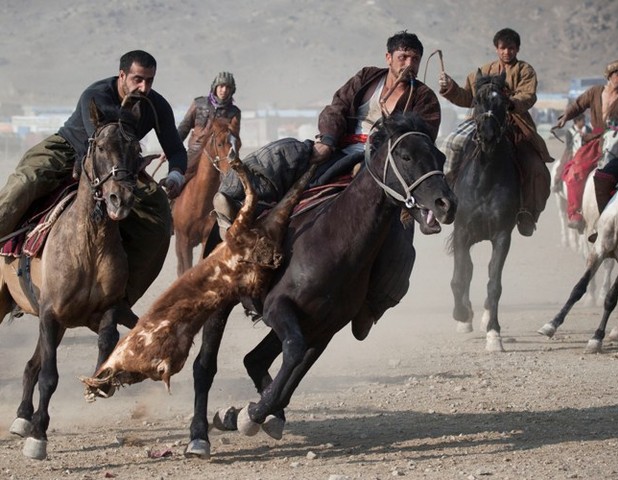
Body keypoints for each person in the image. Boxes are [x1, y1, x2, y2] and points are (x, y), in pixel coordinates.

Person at [213, 30, 442, 341]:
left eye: (414, 59)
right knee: (287, 152)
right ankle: (237, 201)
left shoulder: (424, 99)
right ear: (389, 58)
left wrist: (386, 140)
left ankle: (370, 307)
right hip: (340, 148)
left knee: (401, 248)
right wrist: (328, 139)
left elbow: (419, 141)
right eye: (403, 57)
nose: (409, 64)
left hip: (387, 170)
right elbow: (338, 106)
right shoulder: (367, 78)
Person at [0, 50, 187, 307]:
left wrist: (176, 174)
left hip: (120, 163)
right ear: (122, 75)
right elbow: (95, 146)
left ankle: (122, 297)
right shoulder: (96, 96)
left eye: (150, 80)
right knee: (25, 182)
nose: (144, 87)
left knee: (159, 212)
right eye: (137, 79)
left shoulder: (157, 106)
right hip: (71, 148)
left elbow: (176, 149)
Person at [439, 27, 552, 237]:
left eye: (511, 48)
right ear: (496, 49)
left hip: (514, 122)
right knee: (451, 143)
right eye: (503, 48)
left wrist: (508, 102)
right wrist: (450, 87)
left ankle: (527, 211)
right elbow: (467, 98)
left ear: (517, 48)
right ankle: (445, 199)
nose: (507, 52)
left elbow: (528, 96)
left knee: (535, 166)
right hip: (482, 121)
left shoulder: (525, 70)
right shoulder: (483, 71)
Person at [555, 60, 618, 233]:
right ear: (610, 76)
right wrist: (565, 117)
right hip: (595, 142)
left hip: (617, 141)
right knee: (576, 171)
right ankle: (576, 213)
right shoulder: (595, 92)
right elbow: (578, 105)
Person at [177, 71, 241, 164]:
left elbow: (234, 138)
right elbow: (184, 128)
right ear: (215, 87)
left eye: (228, 87)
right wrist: (171, 149)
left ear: (232, 91)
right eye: (221, 86)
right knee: (176, 174)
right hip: (195, 152)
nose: (224, 90)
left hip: (219, 156)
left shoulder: (234, 112)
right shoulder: (199, 104)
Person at [552, 113, 591, 192]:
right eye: (582, 120)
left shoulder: (587, 129)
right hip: (572, 152)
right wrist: (579, 138)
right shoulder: (569, 132)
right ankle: (558, 183)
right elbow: (569, 145)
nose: (584, 122)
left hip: (586, 152)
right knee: (563, 165)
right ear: (577, 121)